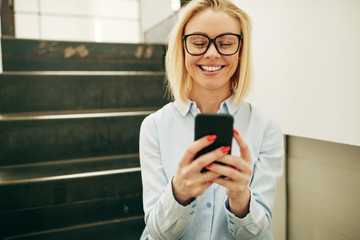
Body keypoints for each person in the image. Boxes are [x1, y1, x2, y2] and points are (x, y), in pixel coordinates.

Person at [139, 0, 284, 239]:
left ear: (240, 50)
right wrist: (179, 193)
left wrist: (240, 198)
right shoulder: (154, 127)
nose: (212, 53)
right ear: (182, 47)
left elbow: (258, 234)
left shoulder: (267, 127)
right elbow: (157, 233)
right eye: (198, 42)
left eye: (226, 43)